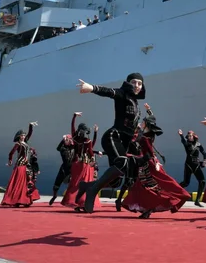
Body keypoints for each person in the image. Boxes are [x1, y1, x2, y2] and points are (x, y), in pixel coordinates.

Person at [75, 73, 147, 213]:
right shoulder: (122, 94)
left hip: (123, 142)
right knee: (122, 163)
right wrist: (91, 88)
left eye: (139, 83)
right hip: (113, 137)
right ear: (128, 83)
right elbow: (109, 92)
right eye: (134, 82)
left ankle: (86, 186)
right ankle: (92, 190)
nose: (137, 85)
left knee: (117, 180)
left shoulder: (135, 101)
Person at [122, 104, 191, 218]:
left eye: (143, 122)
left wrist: (135, 158)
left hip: (148, 163)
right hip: (151, 162)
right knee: (150, 185)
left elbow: (148, 153)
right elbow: (152, 120)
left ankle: (154, 206)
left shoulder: (144, 137)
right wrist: (149, 110)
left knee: (149, 186)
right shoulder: (149, 134)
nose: (142, 123)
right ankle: (148, 208)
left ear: (147, 125)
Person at [1, 122, 41, 207]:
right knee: (19, 183)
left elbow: (29, 134)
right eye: (22, 135)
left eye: (24, 135)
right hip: (20, 165)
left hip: (26, 165)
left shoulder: (25, 142)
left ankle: (25, 200)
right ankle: (16, 200)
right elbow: (11, 153)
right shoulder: (18, 144)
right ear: (19, 136)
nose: (23, 136)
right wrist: (10, 161)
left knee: (27, 182)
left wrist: (30, 126)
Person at [49, 112, 81, 205]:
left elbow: (73, 129)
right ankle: (54, 196)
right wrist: (63, 139)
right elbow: (58, 148)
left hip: (72, 169)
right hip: (64, 168)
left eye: (67, 140)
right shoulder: (62, 148)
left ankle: (73, 199)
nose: (65, 141)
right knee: (56, 183)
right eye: (64, 140)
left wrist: (74, 117)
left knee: (74, 184)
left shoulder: (74, 147)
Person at [177, 129, 206, 207]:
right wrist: (181, 135)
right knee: (186, 183)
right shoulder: (187, 144)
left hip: (196, 165)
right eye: (188, 136)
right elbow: (183, 141)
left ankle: (197, 200)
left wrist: (204, 161)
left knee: (202, 181)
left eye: (191, 136)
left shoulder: (198, 144)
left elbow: (204, 154)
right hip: (188, 165)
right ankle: (175, 191)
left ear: (194, 136)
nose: (189, 137)